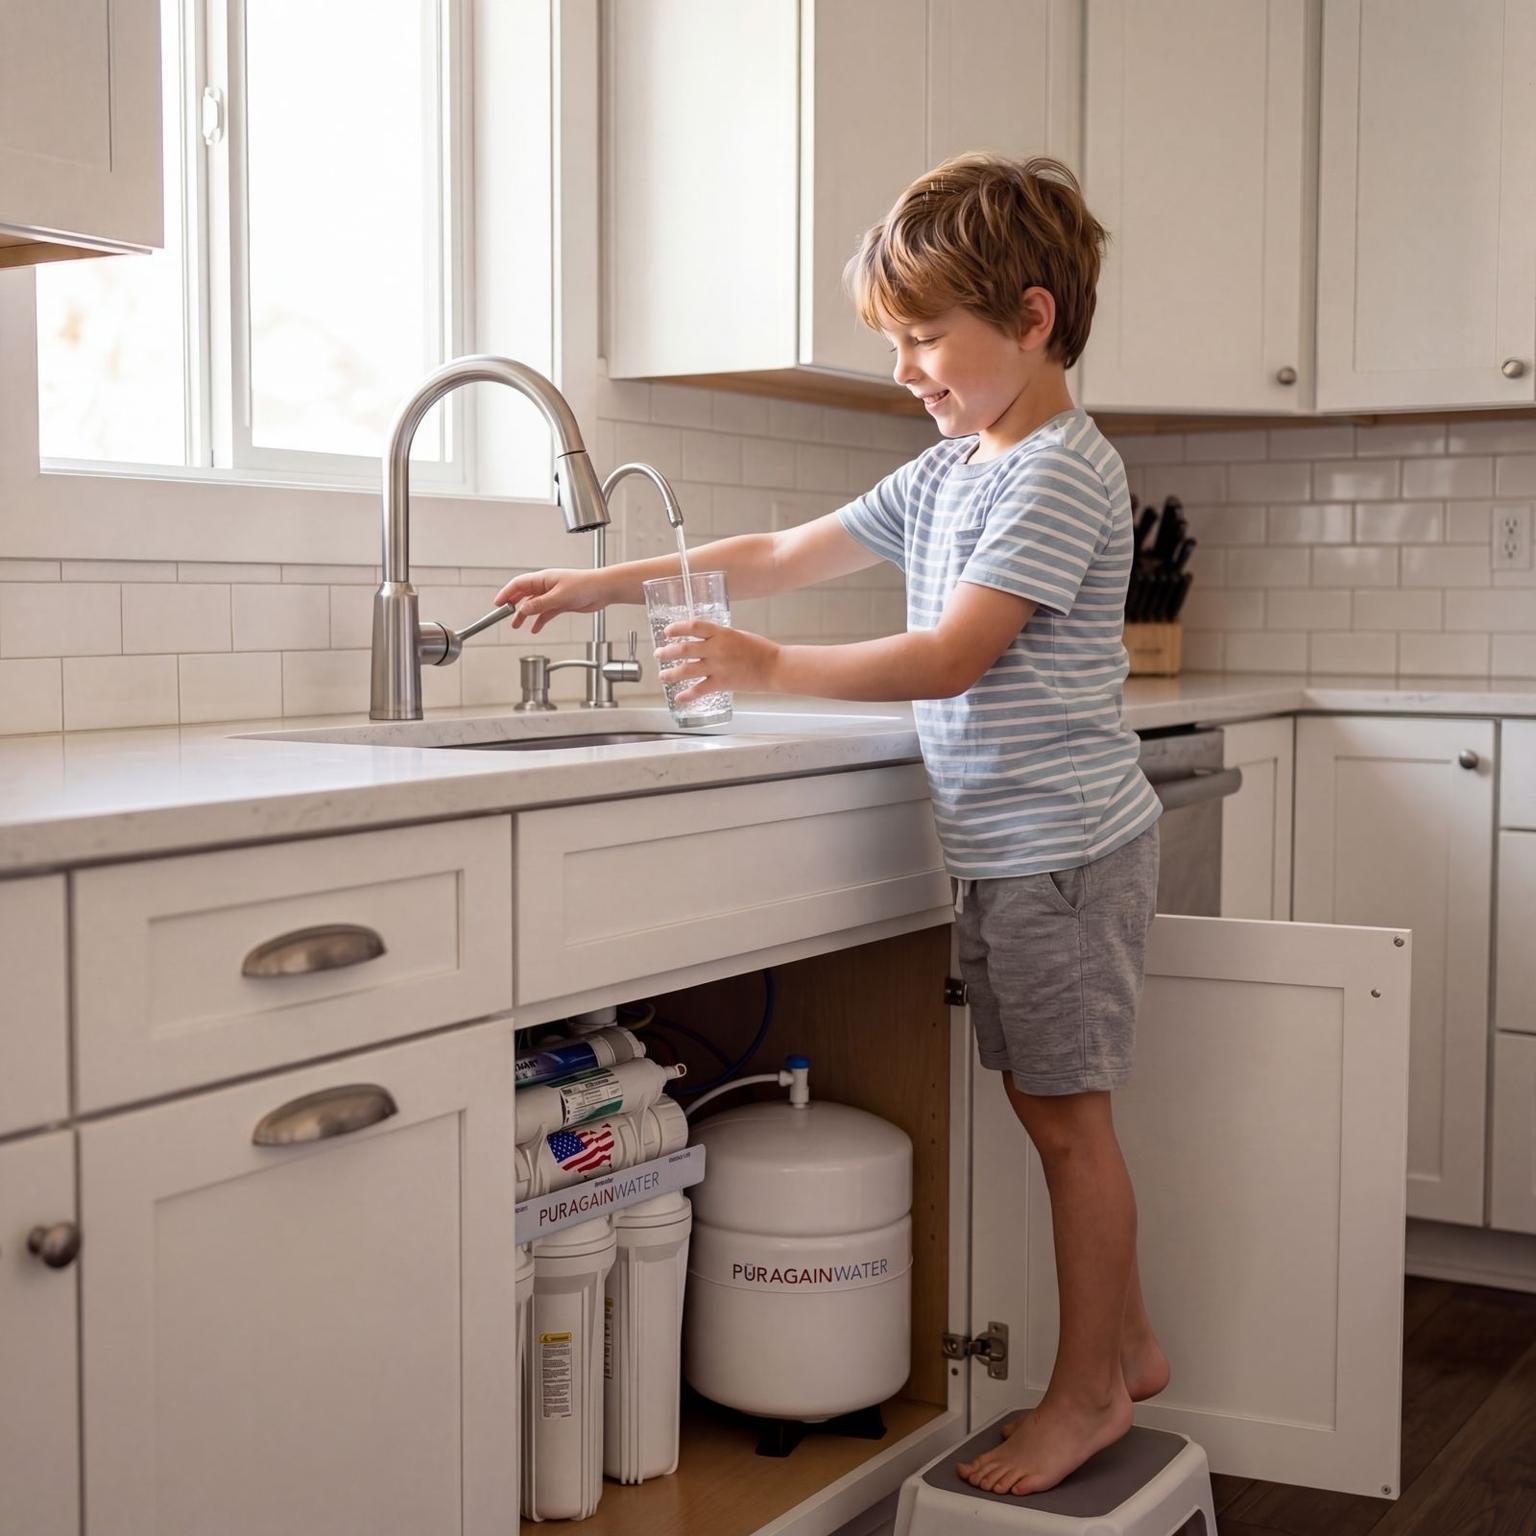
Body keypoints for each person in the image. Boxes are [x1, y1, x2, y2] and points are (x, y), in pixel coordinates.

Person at [495, 152, 1167, 1496]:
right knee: (1054, 1113)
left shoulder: (1057, 473)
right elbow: (790, 552)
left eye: (927, 335)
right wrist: (601, 580)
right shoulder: (958, 467)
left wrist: (768, 669)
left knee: (1064, 1124)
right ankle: (1127, 1347)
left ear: (1032, 319)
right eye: (898, 340)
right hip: (1012, 848)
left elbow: (950, 656)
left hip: (1060, 855)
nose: (907, 367)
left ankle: (1092, 1389)